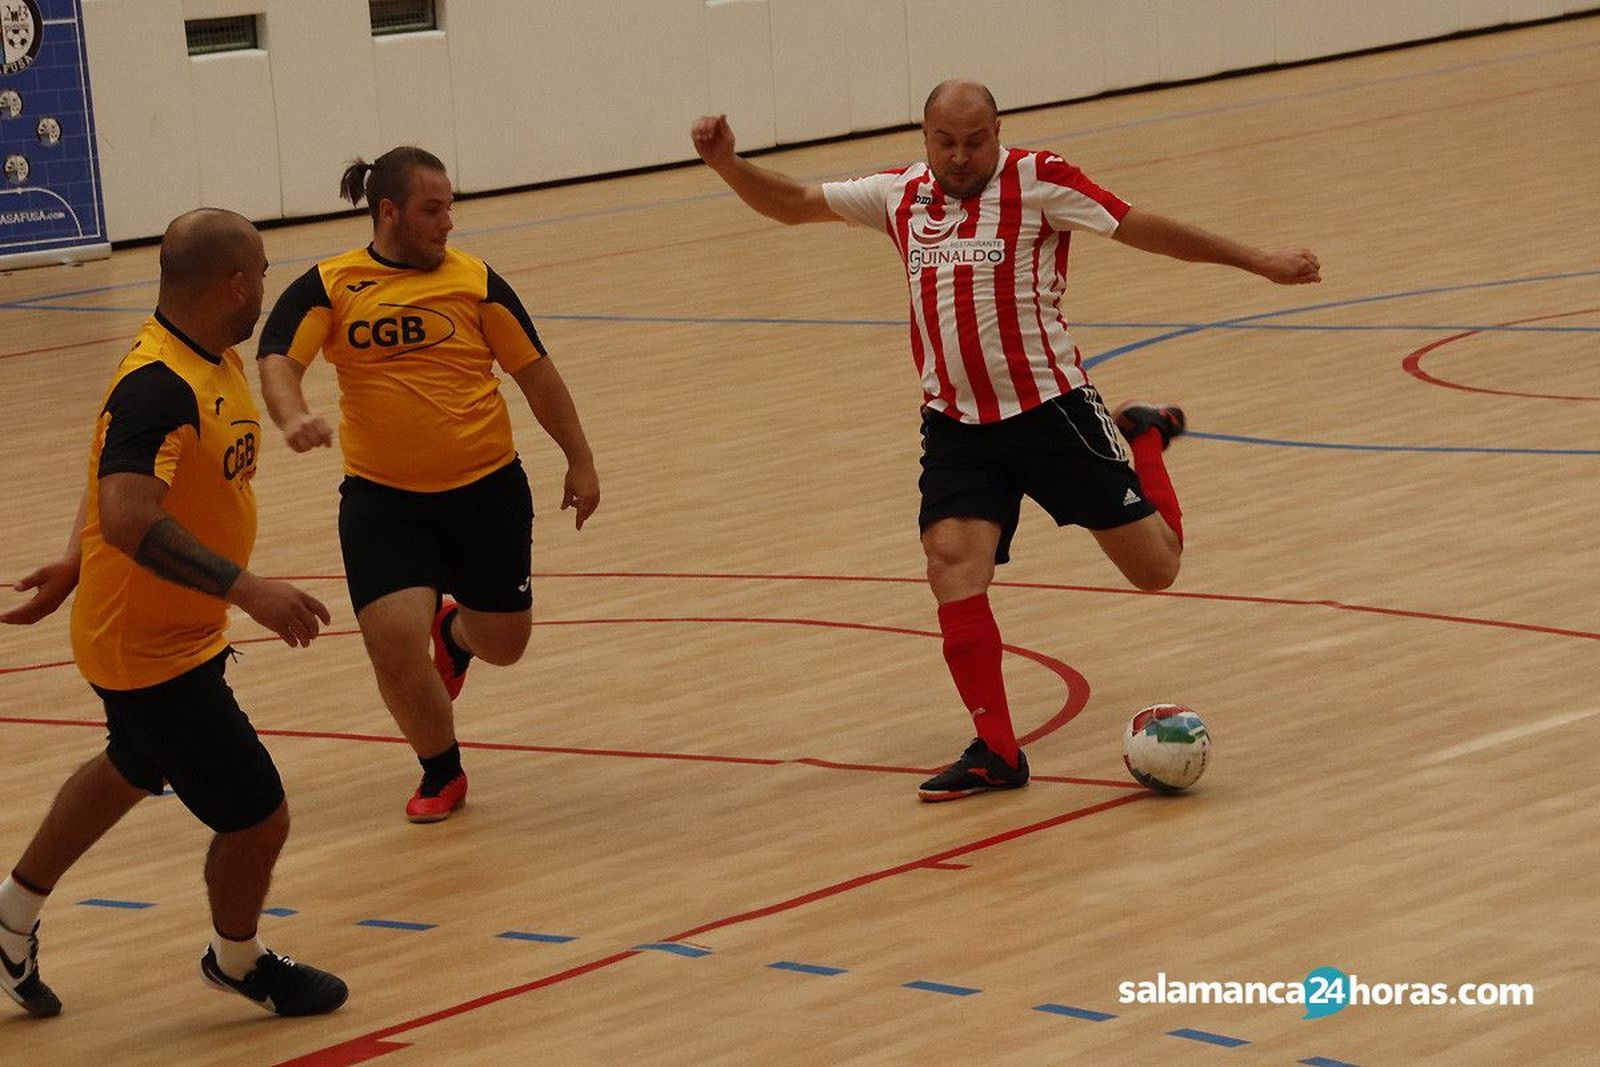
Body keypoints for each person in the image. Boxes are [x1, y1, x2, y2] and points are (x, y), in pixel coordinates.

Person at [691, 81, 1321, 801]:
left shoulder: (1040, 181)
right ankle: (997, 749)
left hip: (1052, 414)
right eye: (945, 143)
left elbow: (1143, 226)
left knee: (1156, 570)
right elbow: (797, 203)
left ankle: (1142, 437)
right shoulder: (900, 195)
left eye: (975, 142)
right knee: (952, 567)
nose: (960, 158)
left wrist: (1259, 261)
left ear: (998, 132)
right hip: (957, 427)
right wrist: (728, 166)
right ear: (924, 137)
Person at [0, 209, 347, 1017]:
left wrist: (70, 556)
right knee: (258, 818)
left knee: (131, 764)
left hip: (166, 630)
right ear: (233, 283)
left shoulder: (204, 359)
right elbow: (126, 512)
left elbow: (110, 472)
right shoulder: (158, 382)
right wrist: (247, 588)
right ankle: (239, 959)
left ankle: (9, 915)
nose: (265, 281)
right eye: (261, 269)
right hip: (148, 647)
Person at [256, 146, 600, 823]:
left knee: (507, 643)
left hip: (487, 491)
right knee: (391, 640)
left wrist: (580, 459)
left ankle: (460, 636)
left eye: (450, 209)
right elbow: (277, 358)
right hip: (383, 502)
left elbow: (538, 376)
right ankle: (441, 768)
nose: (447, 224)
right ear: (389, 212)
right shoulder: (332, 283)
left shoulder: (475, 282)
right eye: (432, 210)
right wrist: (292, 415)